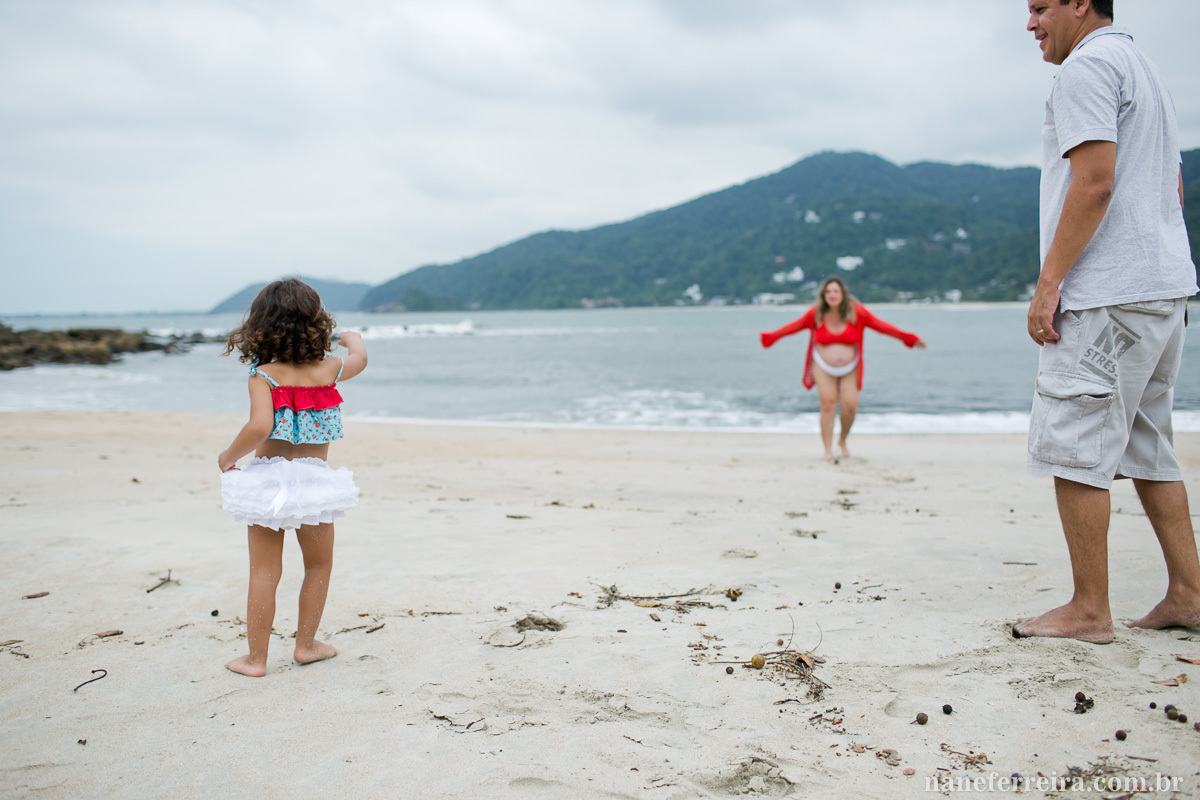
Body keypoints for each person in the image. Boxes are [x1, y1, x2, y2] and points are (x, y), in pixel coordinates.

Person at [1014, 0, 1200, 643]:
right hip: (1162, 287)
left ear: (1079, 4)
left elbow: (1094, 183)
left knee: (1074, 443)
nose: (1031, 24)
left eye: (1040, 7)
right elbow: (1174, 189)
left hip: (1108, 295)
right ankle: (1189, 594)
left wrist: (1049, 284)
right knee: (1150, 445)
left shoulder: (1087, 67)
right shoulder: (1143, 67)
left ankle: (1089, 609)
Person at [218, 278, 368, 676]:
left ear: (261, 325)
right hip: (315, 485)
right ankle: (306, 645)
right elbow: (359, 359)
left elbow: (259, 427)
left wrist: (227, 457)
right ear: (317, 323)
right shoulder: (329, 369)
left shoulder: (263, 375)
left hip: (268, 484)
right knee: (317, 567)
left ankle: (255, 659)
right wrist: (352, 340)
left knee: (264, 573)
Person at [759, 276, 926, 461]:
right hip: (822, 366)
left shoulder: (857, 312)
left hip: (850, 368)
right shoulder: (816, 314)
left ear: (843, 294)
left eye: (836, 291)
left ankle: (842, 441)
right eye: (828, 292)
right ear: (823, 295)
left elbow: (882, 326)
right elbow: (793, 327)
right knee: (828, 405)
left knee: (850, 407)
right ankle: (827, 451)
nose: (832, 295)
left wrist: (907, 338)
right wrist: (771, 337)